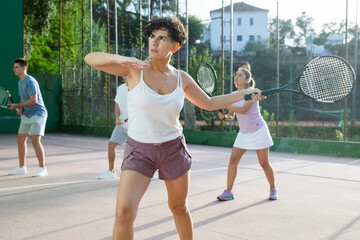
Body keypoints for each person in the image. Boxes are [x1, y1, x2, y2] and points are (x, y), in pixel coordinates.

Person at [84, 17, 264, 239]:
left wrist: (242, 94)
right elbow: (90, 58)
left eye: (162, 38)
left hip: (173, 150)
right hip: (139, 151)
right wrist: (124, 59)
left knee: (179, 208)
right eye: (152, 37)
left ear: (175, 46)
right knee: (123, 213)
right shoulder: (133, 70)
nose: (154, 43)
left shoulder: (181, 78)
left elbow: (208, 103)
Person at [217, 64, 278, 201]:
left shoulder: (251, 92)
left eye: (240, 75)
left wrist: (225, 105)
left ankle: (273, 188)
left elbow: (244, 110)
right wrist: (225, 117)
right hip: (244, 133)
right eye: (236, 75)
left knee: (264, 163)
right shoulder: (233, 95)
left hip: (258, 131)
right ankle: (228, 192)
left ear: (247, 80)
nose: (236, 77)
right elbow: (231, 116)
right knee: (233, 161)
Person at [7, 58, 48, 177]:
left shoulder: (30, 81)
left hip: (38, 114)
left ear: (23, 68)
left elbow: (34, 100)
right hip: (27, 114)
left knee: (35, 140)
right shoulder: (20, 82)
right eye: (14, 67)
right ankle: (21, 167)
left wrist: (17, 105)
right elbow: (23, 98)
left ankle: (42, 168)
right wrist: (21, 109)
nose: (13, 69)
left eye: (16, 67)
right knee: (21, 138)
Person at [99, 81, 129, 180]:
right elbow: (117, 104)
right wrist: (117, 118)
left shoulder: (139, 87)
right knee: (111, 144)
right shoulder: (121, 88)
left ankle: (153, 171)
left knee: (139, 149)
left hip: (136, 125)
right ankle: (111, 171)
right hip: (122, 123)